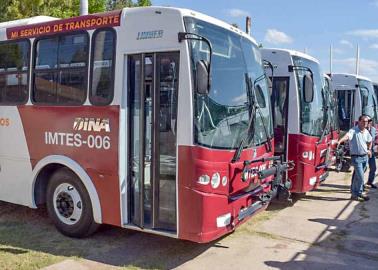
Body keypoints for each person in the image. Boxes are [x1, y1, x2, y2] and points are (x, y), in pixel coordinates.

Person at [337, 115, 372, 201]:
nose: (365, 123)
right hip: (356, 158)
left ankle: (358, 193)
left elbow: (370, 141)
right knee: (360, 177)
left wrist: (369, 150)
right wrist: (340, 141)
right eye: (363, 121)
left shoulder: (366, 131)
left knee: (358, 176)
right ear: (359, 121)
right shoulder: (353, 130)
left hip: (365, 157)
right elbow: (347, 136)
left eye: (366, 122)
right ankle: (355, 194)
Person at [367, 118, 377, 188]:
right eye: (368, 122)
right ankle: (358, 186)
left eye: (370, 122)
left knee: (373, 168)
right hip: (363, 152)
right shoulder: (362, 130)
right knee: (362, 170)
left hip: (372, 152)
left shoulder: (373, 129)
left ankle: (370, 182)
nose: (369, 123)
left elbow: (373, 139)